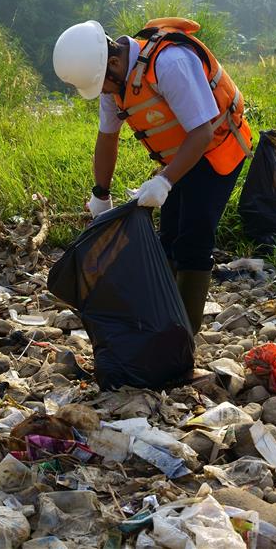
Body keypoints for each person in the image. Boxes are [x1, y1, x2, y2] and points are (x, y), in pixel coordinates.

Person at [53, 17, 253, 332]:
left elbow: (200, 134)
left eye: (101, 85)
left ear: (115, 62)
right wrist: (100, 193)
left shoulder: (170, 63)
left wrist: (164, 181)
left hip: (217, 148)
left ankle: (183, 334)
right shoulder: (113, 79)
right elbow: (107, 137)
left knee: (194, 240)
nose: (102, 93)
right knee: (169, 238)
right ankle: (163, 315)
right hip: (179, 155)